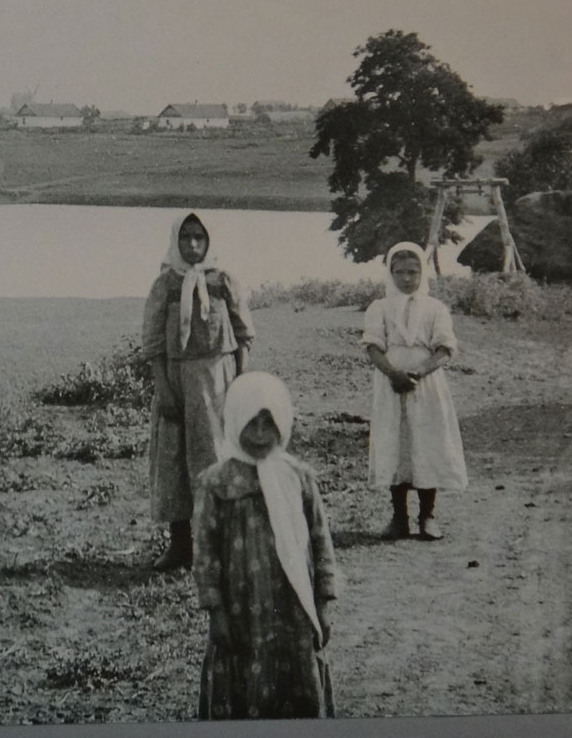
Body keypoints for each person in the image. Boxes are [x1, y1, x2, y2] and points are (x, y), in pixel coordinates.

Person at [194, 372, 338, 720]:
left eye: (269, 423)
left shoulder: (299, 478)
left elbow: (321, 540)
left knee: (296, 686)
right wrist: (216, 612)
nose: (260, 434)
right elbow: (205, 553)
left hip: (293, 611)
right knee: (243, 681)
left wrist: (324, 602)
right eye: (251, 422)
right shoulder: (217, 483)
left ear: (283, 423)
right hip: (242, 611)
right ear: (234, 421)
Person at [142, 212, 255, 570]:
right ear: (175, 242)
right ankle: (180, 546)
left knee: (216, 459)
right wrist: (164, 387)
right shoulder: (165, 284)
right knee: (175, 461)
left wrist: (240, 382)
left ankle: (217, 545)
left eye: (199, 238)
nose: (192, 245)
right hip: (177, 383)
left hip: (218, 382)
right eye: (185, 238)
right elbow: (154, 343)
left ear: (209, 241)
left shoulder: (224, 281)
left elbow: (243, 335)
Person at [361, 241, 467, 540]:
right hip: (391, 383)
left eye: (413, 272)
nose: (407, 279)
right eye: (399, 273)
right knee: (397, 443)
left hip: (426, 383)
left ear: (423, 273)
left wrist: (419, 372)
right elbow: (372, 346)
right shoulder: (379, 308)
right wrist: (393, 373)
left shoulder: (435, 308)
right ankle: (399, 517)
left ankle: (428, 516)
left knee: (425, 443)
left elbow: (446, 349)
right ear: (390, 274)